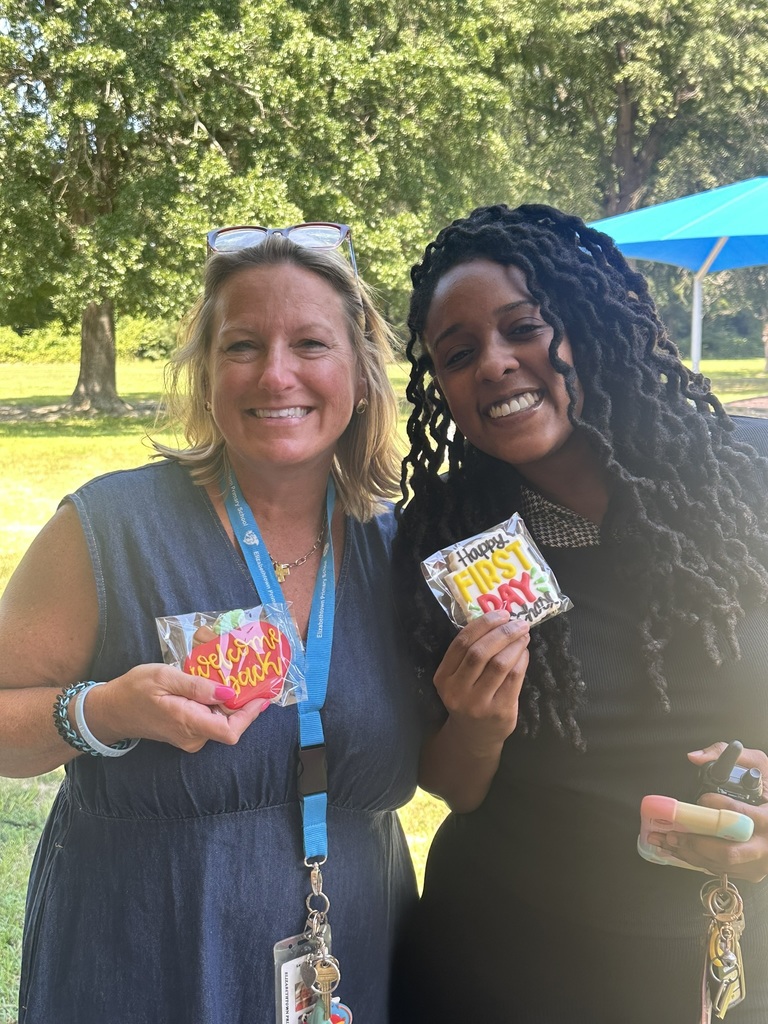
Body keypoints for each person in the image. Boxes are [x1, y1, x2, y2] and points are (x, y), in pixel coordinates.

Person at [0, 225, 422, 1024]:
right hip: (145, 959)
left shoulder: (398, 547)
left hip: (357, 954)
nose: (275, 373)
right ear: (205, 372)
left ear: (361, 374)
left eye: (309, 343)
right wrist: (102, 712)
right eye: (241, 346)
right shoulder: (111, 528)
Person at [392, 203, 768, 1023]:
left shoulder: (750, 479)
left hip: (727, 961)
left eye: (524, 327)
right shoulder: (446, 537)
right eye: (458, 354)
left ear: (597, 322)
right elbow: (451, 786)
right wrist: (476, 723)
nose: (493, 364)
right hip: (506, 966)